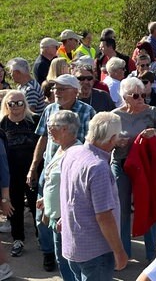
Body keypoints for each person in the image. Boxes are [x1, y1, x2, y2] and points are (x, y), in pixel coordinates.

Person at [28, 74, 96, 273]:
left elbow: (92, 143)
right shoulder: (49, 109)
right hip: (49, 171)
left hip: (73, 174)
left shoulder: (87, 111)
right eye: (55, 89)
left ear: (75, 91)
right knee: (43, 214)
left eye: (62, 89)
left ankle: (71, 255)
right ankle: (49, 252)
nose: (56, 93)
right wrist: (34, 167)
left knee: (66, 214)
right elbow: (42, 139)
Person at [112, 76, 156, 262]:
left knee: (146, 207)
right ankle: (124, 253)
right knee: (123, 210)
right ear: (125, 97)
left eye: (143, 95)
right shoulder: (115, 115)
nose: (141, 99)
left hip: (145, 167)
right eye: (136, 96)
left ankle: (151, 253)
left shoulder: (152, 112)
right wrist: (116, 142)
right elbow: (104, 142)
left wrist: (155, 132)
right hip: (122, 165)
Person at [60, 112, 128, 279]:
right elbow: (104, 216)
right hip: (96, 252)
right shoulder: (98, 167)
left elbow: (70, 193)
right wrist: (119, 251)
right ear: (112, 139)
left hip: (73, 245)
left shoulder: (72, 152)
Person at [39, 111, 81, 281]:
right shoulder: (61, 148)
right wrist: (46, 199)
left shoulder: (76, 153)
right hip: (56, 219)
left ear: (64, 129)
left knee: (71, 265)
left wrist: (65, 215)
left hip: (67, 221)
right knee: (62, 262)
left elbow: (78, 190)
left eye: (51, 126)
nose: (48, 130)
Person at [0, 91, 39, 258]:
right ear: (6, 106)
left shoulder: (35, 121)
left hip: (33, 170)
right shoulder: (2, 125)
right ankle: (18, 239)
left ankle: (42, 238)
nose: (16, 106)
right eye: (11, 103)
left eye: (19, 103)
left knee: (36, 205)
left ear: (25, 104)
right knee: (14, 206)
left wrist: (35, 168)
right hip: (11, 173)